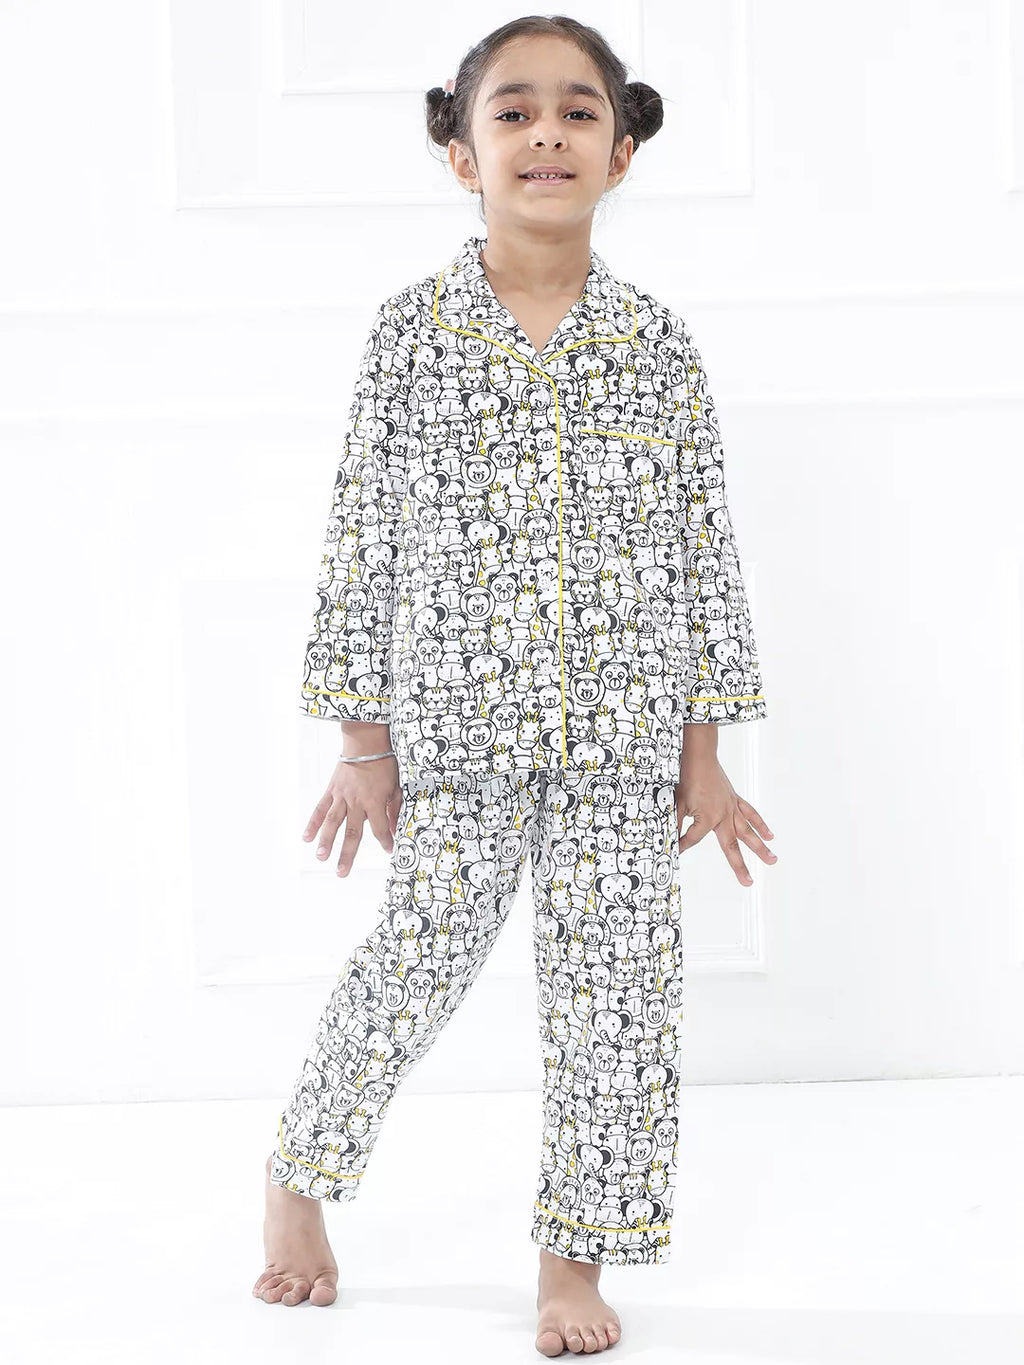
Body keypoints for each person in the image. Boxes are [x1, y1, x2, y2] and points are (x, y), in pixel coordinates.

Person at [252, 14, 778, 1355]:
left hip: (623, 745)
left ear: (623, 151)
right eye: (514, 110)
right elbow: (362, 540)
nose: (548, 131)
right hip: (457, 736)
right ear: (461, 152)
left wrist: (705, 753)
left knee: (618, 1009)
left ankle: (571, 1262)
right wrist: (362, 742)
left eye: (580, 111)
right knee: (411, 967)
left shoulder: (658, 347)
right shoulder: (409, 337)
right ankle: (299, 1174)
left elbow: (702, 554)